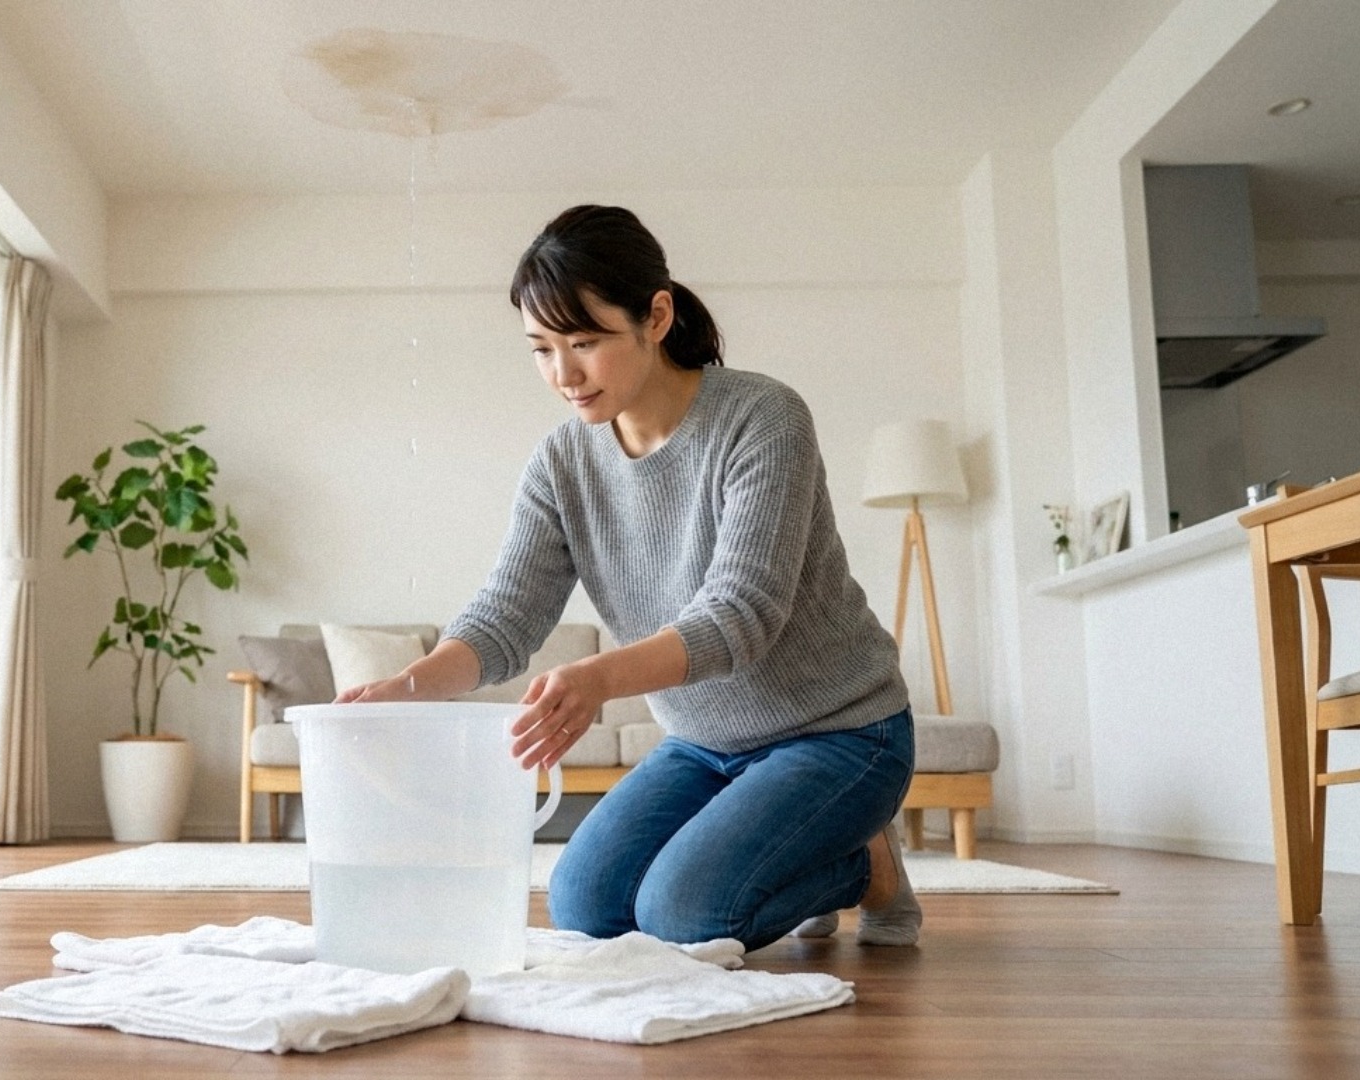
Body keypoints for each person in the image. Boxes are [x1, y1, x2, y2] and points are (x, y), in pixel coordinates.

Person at [334, 204, 920, 951]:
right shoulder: (562, 463)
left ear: (657, 316)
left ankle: (865, 867)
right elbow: (505, 616)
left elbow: (742, 612)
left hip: (841, 733)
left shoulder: (763, 418)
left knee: (685, 917)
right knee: (585, 907)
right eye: (541, 349)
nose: (563, 375)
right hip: (704, 744)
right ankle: (799, 847)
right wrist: (403, 691)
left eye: (584, 342)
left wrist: (599, 677)